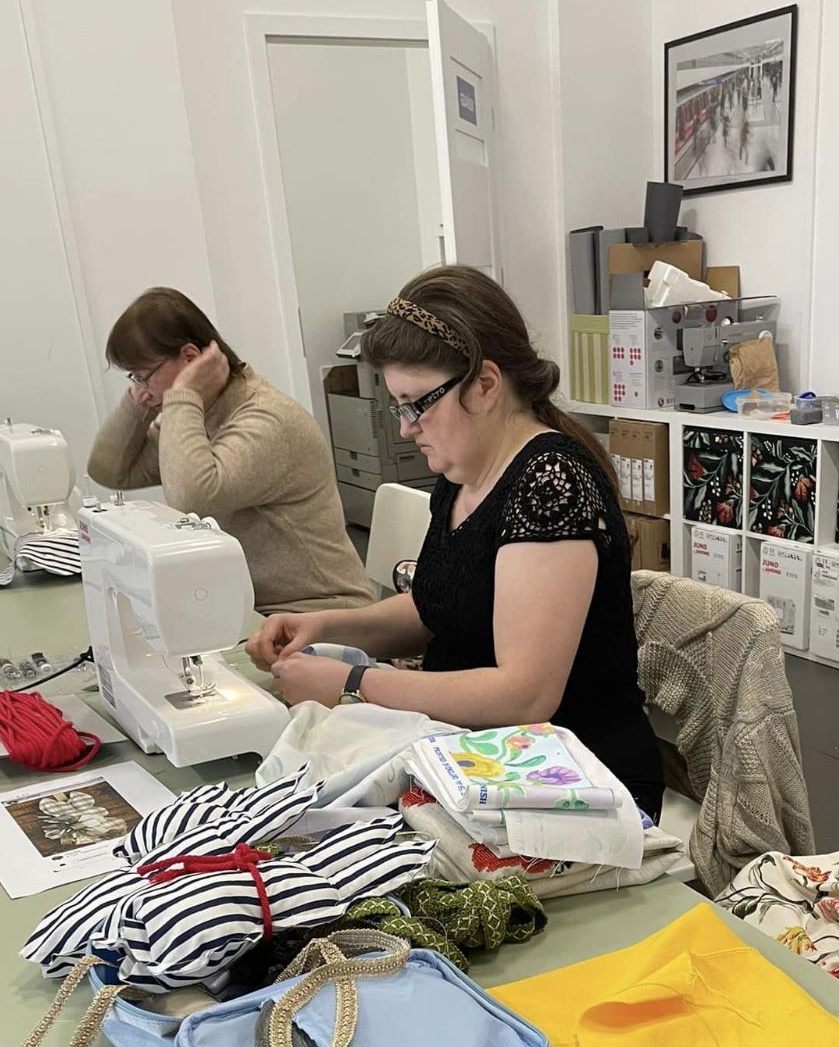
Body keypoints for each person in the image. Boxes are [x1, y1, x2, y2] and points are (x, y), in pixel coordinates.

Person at [246, 266, 663, 819]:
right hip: (478, 758)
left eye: (416, 403)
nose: (405, 428)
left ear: (485, 384)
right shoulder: (462, 474)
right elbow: (436, 607)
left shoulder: (550, 483)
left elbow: (524, 695)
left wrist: (354, 683)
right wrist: (324, 625)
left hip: (574, 783)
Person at [87, 287, 374, 614]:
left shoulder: (266, 419)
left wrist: (182, 395)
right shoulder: (200, 416)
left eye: (144, 377)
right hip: (250, 608)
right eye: (133, 378)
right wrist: (139, 405)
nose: (140, 390)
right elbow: (110, 471)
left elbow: (191, 498)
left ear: (190, 358)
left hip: (317, 611)